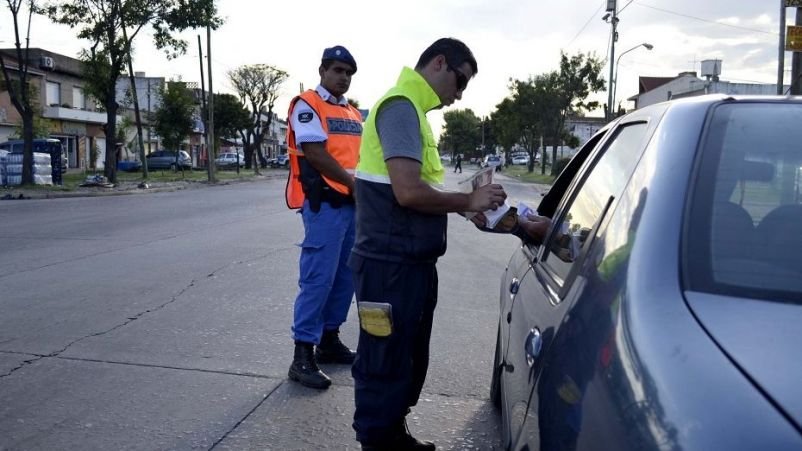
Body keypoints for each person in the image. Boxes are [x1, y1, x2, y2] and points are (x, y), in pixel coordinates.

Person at [349, 37, 507, 451]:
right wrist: (466, 201)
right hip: (389, 265)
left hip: (409, 263)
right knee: (384, 360)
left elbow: (423, 190)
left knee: (406, 358)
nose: (459, 95)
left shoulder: (414, 112)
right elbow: (407, 192)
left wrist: (463, 204)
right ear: (439, 63)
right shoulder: (401, 107)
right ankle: (379, 440)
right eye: (461, 81)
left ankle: (392, 434)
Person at [284, 45, 362, 390]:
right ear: (322, 71)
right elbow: (315, 152)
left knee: (345, 278)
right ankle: (302, 355)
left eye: (348, 72)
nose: (343, 77)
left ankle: (329, 339)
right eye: (338, 70)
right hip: (325, 204)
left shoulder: (354, 113)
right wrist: (352, 183)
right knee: (318, 279)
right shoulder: (307, 105)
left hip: (352, 206)